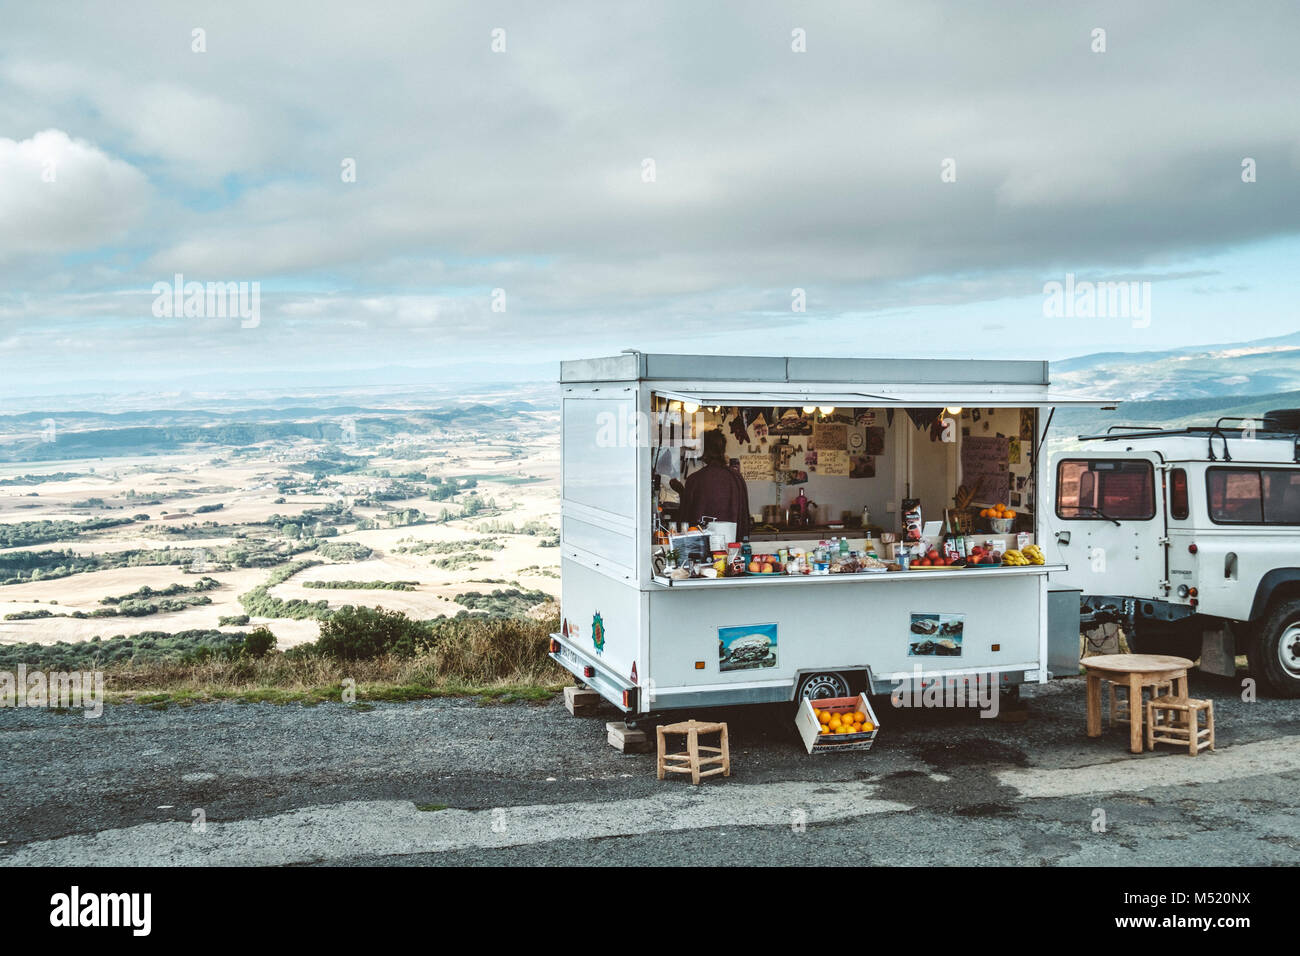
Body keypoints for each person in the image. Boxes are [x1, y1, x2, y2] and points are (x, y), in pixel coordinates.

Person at [678, 429, 751, 538]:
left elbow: (685, 520)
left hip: (701, 546)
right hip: (731, 545)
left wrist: (681, 492)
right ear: (723, 450)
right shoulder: (736, 478)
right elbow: (744, 519)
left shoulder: (694, 480)